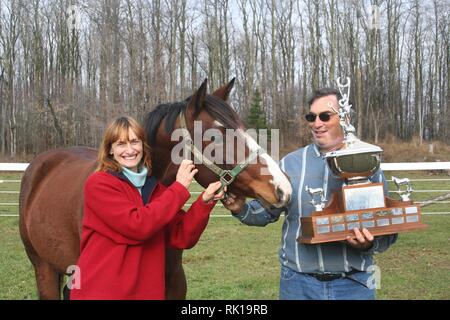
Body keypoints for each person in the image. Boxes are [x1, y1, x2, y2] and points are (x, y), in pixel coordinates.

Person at [222, 88, 397, 300]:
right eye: (311, 117)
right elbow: (266, 212)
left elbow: (387, 232)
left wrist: (368, 243)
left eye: (325, 116)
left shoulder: (367, 163)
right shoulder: (290, 163)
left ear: (345, 117)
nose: (316, 123)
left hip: (354, 284)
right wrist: (241, 209)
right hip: (298, 285)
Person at [70, 116, 225, 300]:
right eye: (121, 144)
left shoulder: (155, 188)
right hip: (102, 292)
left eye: (135, 142)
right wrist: (179, 188)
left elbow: (181, 236)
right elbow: (137, 226)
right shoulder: (99, 184)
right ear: (110, 149)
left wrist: (204, 202)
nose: (129, 150)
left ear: (143, 146)